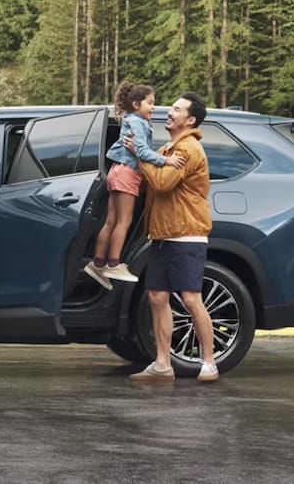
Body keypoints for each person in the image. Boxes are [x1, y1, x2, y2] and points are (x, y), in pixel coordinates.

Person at [127, 92, 219, 383]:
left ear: (190, 120)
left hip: (186, 235)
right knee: (157, 297)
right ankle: (163, 364)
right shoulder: (169, 149)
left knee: (191, 298)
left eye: (177, 110)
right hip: (163, 235)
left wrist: (140, 155)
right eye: (171, 108)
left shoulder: (188, 149)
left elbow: (164, 183)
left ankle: (209, 362)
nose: (169, 112)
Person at [84, 81, 185, 290]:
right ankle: (114, 264)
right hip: (128, 173)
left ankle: (98, 264)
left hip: (117, 171)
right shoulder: (138, 122)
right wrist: (166, 160)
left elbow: (139, 149)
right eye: (150, 102)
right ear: (137, 104)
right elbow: (141, 150)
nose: (154, 107)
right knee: (124, 221)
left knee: (111, 221)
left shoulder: (131, 119)